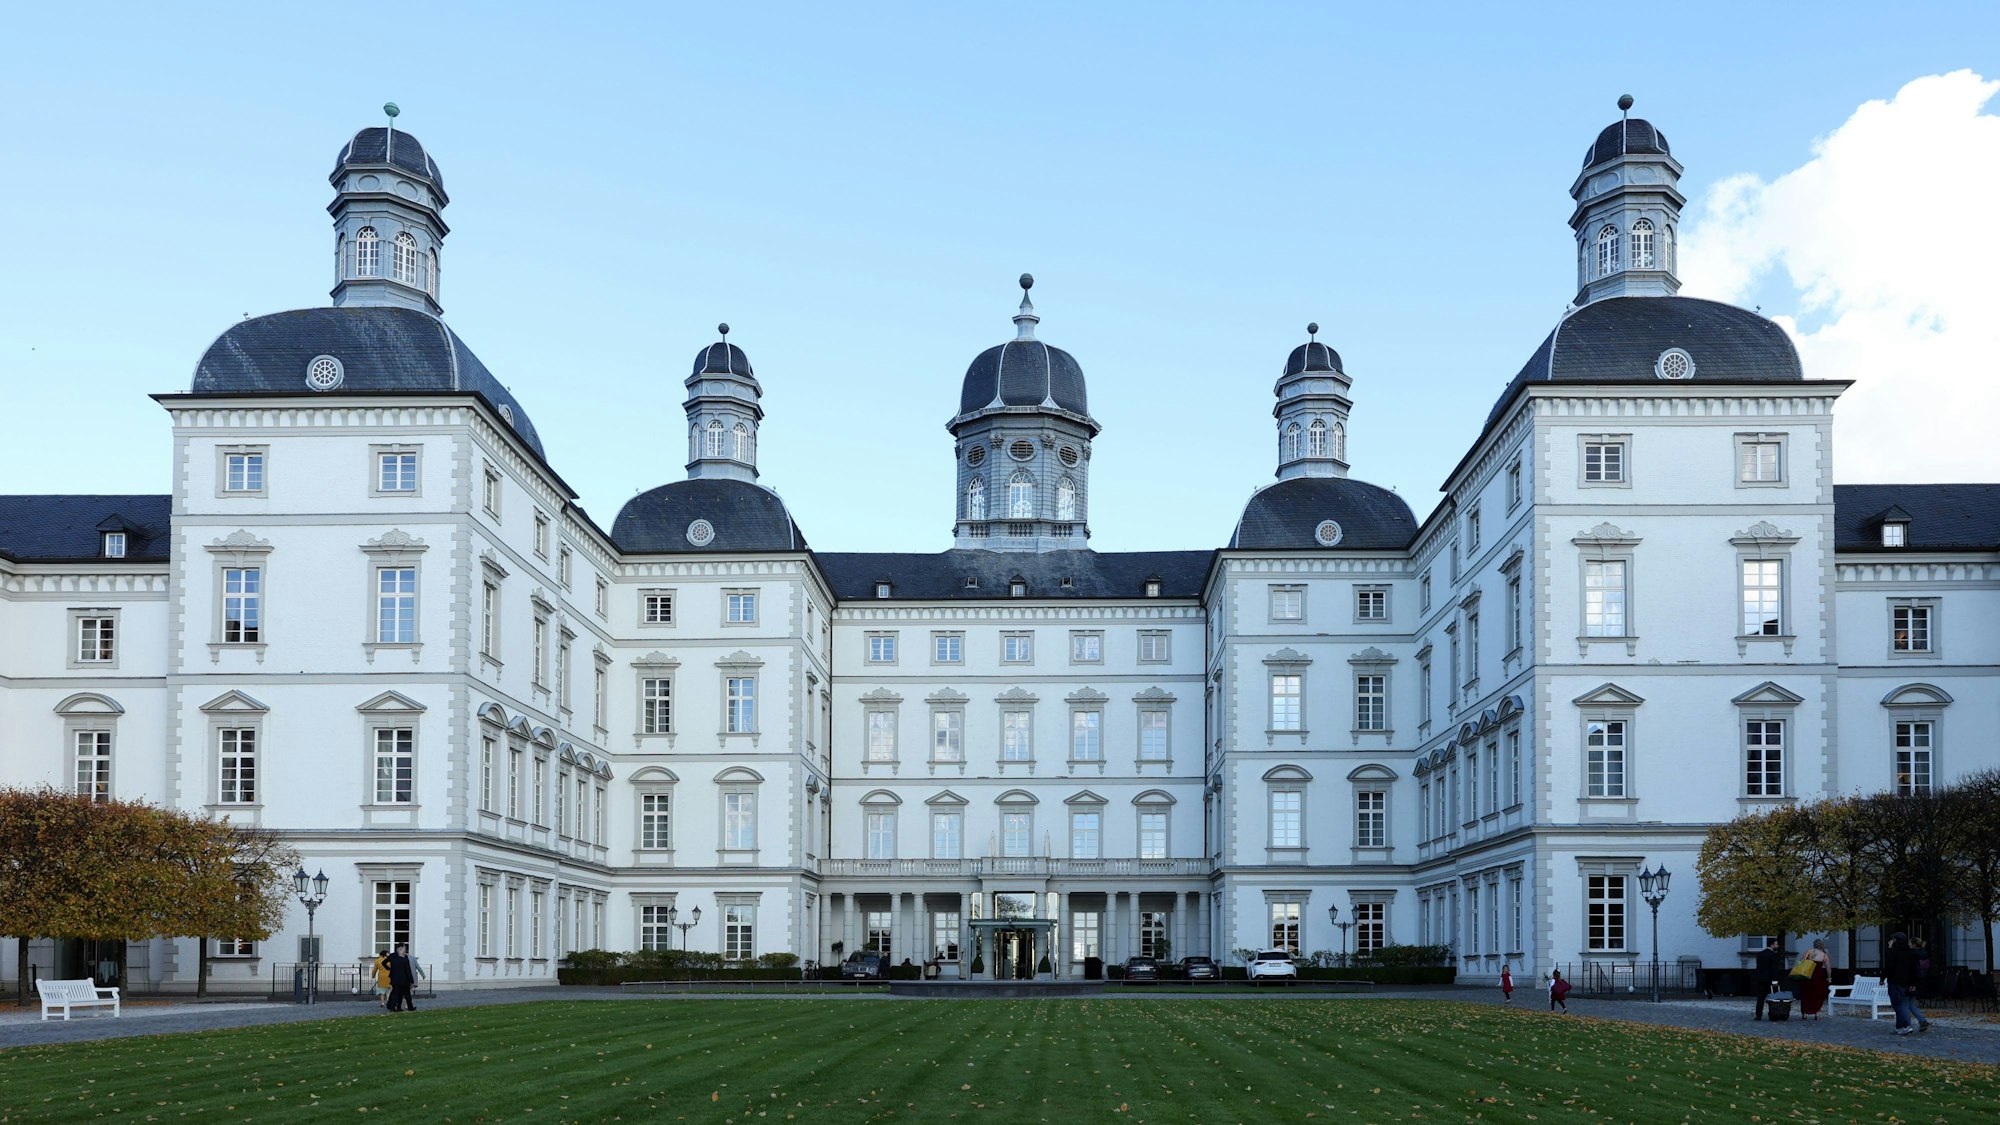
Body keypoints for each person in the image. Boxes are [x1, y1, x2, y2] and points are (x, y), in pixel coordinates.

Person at [1883, 931, 1923, 1036]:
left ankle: (1905, 1026)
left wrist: (1882, 978)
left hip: (1895, 982)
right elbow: (1914, 969)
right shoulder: (1910, 952)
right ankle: (1900, 1027)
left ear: (1895, 940)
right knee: (1901, 1004)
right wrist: (1913, 983)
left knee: (1897, 1005)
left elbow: (1888, 966)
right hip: (1906, 982)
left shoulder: (1893, 952)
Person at [1795, 938, 1832, 1020]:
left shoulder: (1808, 952)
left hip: (1807, 975)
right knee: (1818, 994)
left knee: (1805, 994)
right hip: (1818, 977)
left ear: (1814, 945)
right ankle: (1816, 1013)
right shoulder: (1824, 955)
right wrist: (1829, 978)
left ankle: (1804, 1013)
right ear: (1822, 945)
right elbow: (1828, 968)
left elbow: (1801, 962)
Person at [1753, 938, 1786, 1020]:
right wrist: (1775, 981)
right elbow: (1774, 969)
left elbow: (1758, 968)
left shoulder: (1760, 954)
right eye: (1776, 944)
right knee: (1773, 999)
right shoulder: (1773, 955)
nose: (1777, 946)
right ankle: (1773, 1014)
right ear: (1772, 944)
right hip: (1770, 980)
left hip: (1761, 979)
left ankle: (1758, 1015)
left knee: (1760, 998)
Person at [385, 942, 417, 1012]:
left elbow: (384, 963)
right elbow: (408, 970)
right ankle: (409, 1007)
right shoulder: (405, 958)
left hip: (395, 978)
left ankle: (392, 1007)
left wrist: (389, 969)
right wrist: (411, 980)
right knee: (407, 995)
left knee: (395, 993)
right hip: (404, 980)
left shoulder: (392, 956)